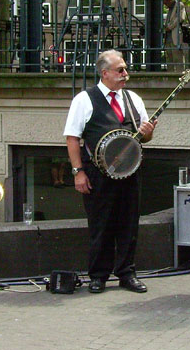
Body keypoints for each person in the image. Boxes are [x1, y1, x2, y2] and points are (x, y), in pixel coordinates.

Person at [63, 49, 156, 294]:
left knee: (129, 225)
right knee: (100, 225)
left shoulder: (133, 99)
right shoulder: (84, 99)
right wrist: (78, 172)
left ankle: (127, 273)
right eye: (120, 70)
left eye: (125, 69)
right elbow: (72, 138)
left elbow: (145, 137)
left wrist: (147, 132)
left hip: (129, 173)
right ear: (105, 73)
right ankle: (98, 275)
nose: (126, 74)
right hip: (97, 175)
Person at [163, 0, 187, 70]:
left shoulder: (179, 5)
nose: (165, 5)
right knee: (169, 58)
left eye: (166, 3)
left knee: (177, 58)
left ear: (169, 0)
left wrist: (170, 27)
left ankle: (179, 74)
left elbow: (180, 18)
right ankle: (170, 75)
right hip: (168, 37)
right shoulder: (169, 9)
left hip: (175, 36)